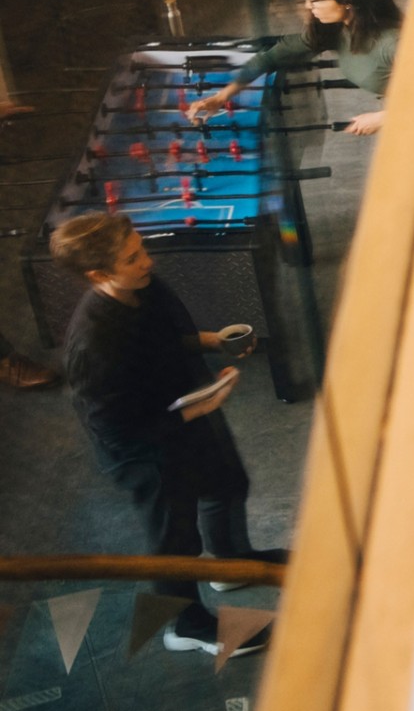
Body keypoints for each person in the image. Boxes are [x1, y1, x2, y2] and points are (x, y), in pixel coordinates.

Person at [51, 214, 285, 658]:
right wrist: (201, 407)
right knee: (173, 541)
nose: (147, 261)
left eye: (141, 248)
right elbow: (114, 427)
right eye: (133, 257)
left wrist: (215, 341)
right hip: (143, 451)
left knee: (227, 482)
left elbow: (171, 337)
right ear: (99, 275)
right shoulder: (94, 343)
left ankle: (233, 563)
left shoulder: (144, 285)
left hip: (187, 410)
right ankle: (187, 626)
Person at [186, 0, 401, 136]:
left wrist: (383, 118)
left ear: (348, 1)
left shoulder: (395, 43)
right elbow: (272, 57)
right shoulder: (337, 29)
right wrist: (221, 97)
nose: (308, 6)